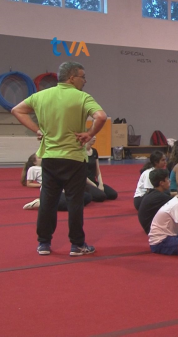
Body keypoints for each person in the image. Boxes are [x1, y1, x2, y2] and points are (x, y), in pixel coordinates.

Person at [11, 61, 107, 256]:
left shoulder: (41, 96)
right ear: (72, 77)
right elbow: (101, 116)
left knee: (47, 201)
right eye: (82, 76)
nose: (85, 81)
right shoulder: (82, 97)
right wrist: (89, 134)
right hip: (73, 157)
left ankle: (44, 243)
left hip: (50, 157)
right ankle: (77, 244)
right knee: (75, 202)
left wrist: (37, 130)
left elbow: (16, 110)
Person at [21, 153, 92, 211]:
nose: (42, 158)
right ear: (34, 162)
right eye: (39, 158)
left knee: (87, 197)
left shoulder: (48, 166)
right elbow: (29, 183)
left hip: (62, 187)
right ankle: (40, 202)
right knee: (71, 206)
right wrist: (41, 185)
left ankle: (48, 202)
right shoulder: (33, 169)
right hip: (51, 188)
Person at [85, 136, 118, 202]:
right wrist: (94, 185)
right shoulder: (81, 153)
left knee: (113, 195)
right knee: (101, 196)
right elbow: (82, 175)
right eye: (92, 136)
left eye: (95, 136)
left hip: (93, 181)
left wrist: (100, 183)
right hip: (85, 183)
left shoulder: (94, 151)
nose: (95, 137)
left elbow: (98, 171)